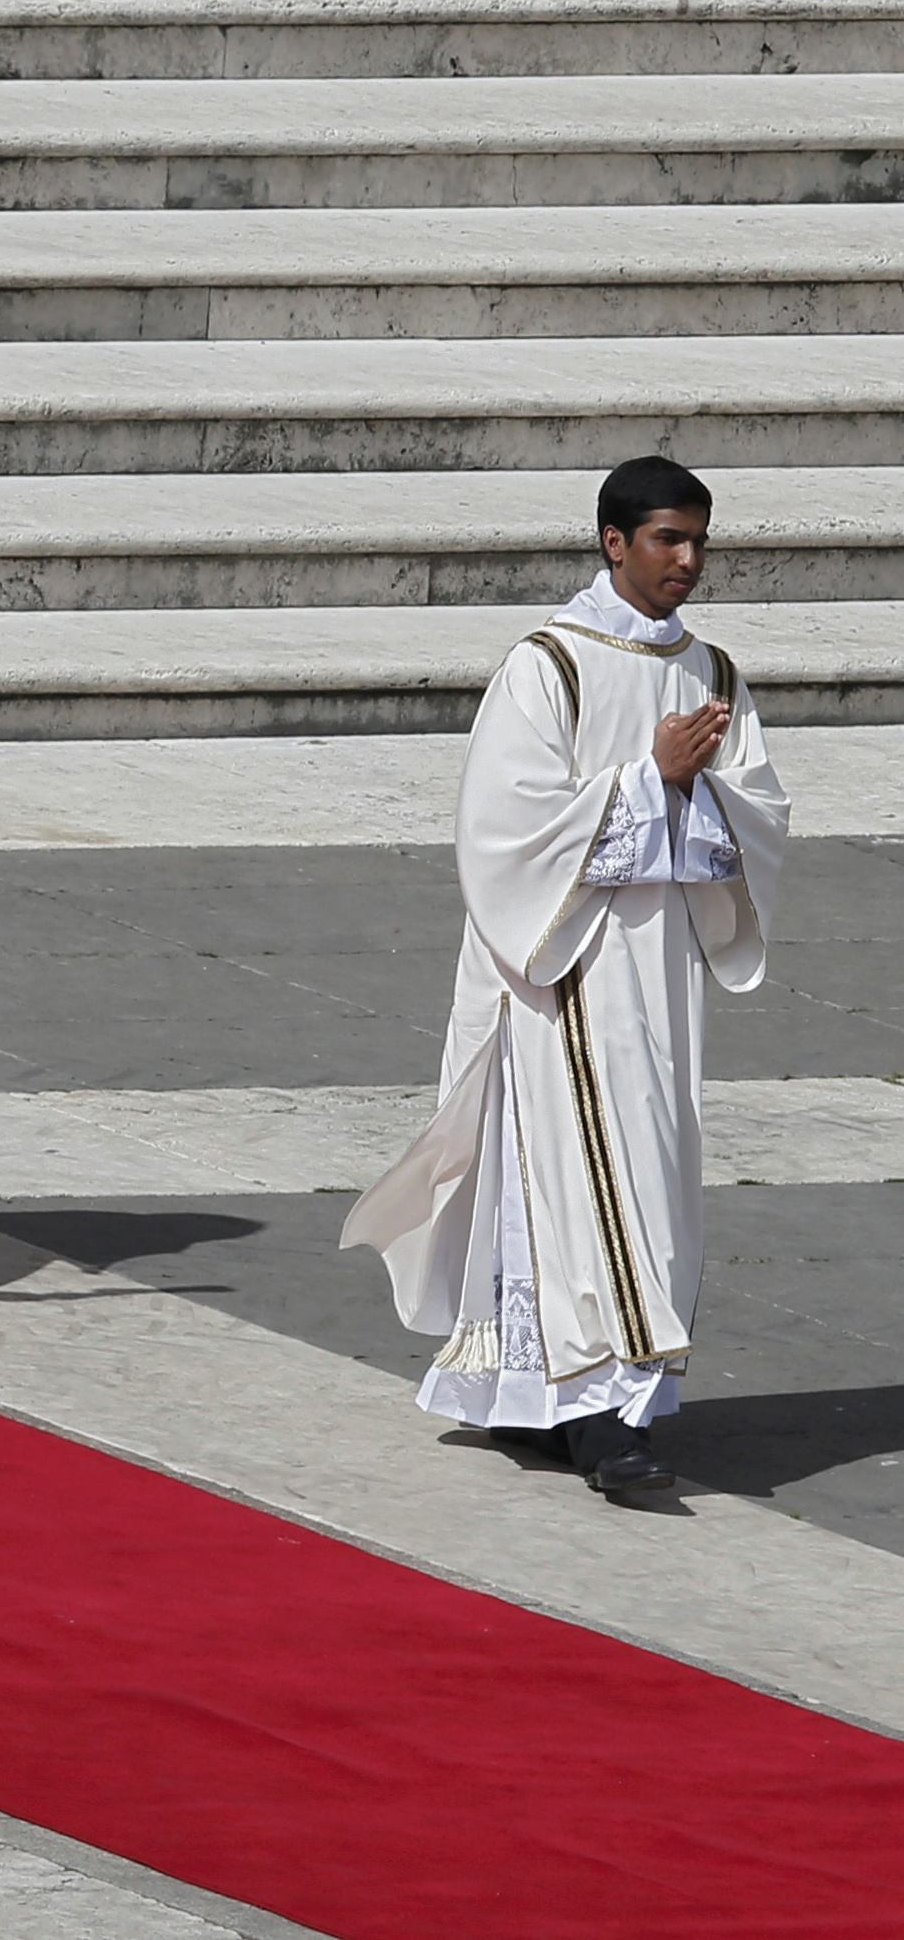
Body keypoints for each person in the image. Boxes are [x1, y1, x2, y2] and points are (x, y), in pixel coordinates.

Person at [342, 458, 788, 1499]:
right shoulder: (548, 666)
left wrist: (692, 795)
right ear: (612, 542)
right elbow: (501, 833)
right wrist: (650, 778)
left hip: (662, 966)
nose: (687, 561)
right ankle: (597, 1415)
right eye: (667, 540)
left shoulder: (712, 673)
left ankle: (551, 1398)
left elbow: (759, 817)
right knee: (582, 1173)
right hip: (560, 967)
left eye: (697, 541)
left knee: (655, 1169)